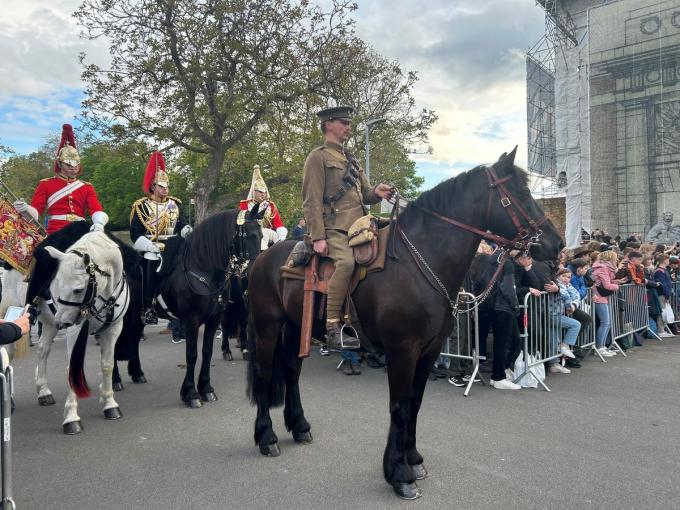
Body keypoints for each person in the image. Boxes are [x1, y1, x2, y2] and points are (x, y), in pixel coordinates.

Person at [302, 106, 394, 349]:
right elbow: (311, 200)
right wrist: (318, 236)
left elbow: (364, 194)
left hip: (361, 226)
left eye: (349, 123)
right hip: (334, 229)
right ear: (329, 124)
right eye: (344, 122)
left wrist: (376, 192)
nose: (348, 127)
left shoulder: (351, 159)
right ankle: (332, 326)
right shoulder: (318, 157)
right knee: (346, 263)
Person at [13, 124, 109, 315]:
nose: (73, 169)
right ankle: (31, 305)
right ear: (60, 163)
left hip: (81, 230)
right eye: (68, 165)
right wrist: (25, 210)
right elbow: (37, 211)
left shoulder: (86, 187)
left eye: (76, 165)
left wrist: (98, 224)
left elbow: (96, 209)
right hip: (56, 232)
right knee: (42, 255)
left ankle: (109, 305)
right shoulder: (46, 184)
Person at [130, 152, 192, 325]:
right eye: (162, 186)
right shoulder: (141, 206)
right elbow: (135, 233)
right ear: (153, 186)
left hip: (174, 244)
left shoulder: (174, 204)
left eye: (167, 186)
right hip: (152, 246)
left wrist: (186, 229)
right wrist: (148, 245)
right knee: (150, 260)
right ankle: (148, 306)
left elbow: (179, 224)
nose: (166, 189)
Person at [240, 165, 287, 249]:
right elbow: (241, 222)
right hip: (251, 233)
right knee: (263, 234)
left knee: (281, 242)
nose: (263, 194)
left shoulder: (270, 205)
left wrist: (282, 235)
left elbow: (277, 223)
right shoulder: (245, 204)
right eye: (260, 191)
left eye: (264, 192)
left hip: (268, 232)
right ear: (254, 192)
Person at [592, 250, 623, 357]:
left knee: (606, 323)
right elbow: (607, 286)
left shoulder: (602, 268)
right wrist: (617, 286)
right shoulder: (603, 268)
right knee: (605, 323)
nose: (617, 260)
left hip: (601, 298)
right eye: (615, 258)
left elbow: (606, 283)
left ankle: (602, 346)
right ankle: (600, 347)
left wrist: (615, 282)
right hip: (599, 298)